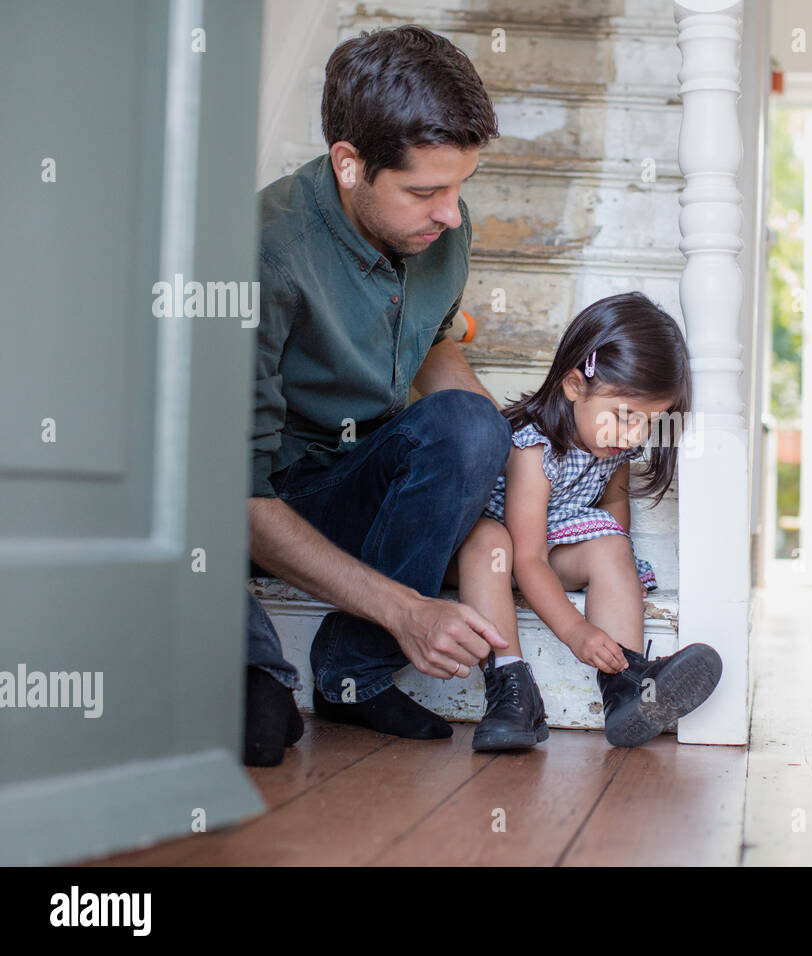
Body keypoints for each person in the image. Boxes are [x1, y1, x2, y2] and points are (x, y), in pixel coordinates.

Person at [242, 25, 514, 766]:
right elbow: (238, 497)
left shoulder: (440, 231)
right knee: (259, 731)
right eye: (426, 191)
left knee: (477, 428)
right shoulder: (262, 254)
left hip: (361, 471)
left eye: (460, 186)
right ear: (349, 164)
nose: (452, 214)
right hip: (267, 505)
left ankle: (351, 673)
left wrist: (509, 451)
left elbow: (431, 343)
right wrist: (408, 610)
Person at [453, 292, 723, 751]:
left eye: (650, 423)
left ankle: (626, 683)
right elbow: (528, 557)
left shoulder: (616, 444)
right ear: (574, 385)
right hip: (493, 556)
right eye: (624, 416)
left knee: (611, 544)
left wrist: (620, 570)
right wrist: (577, 631)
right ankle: (510, 687)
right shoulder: (534, 449)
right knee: (490, 541)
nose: (635, 435)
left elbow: (612, 514)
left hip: (550, 548)